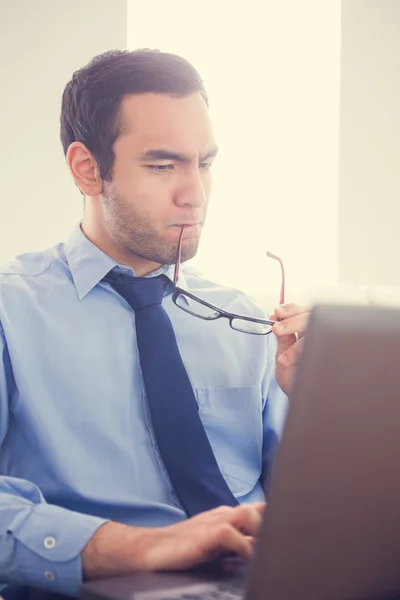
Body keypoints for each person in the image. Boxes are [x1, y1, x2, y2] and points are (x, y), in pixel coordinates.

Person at [0, 49, 308, 598]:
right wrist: (135, 547)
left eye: (204, 164)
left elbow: (321, 513)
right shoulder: (10, 312)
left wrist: (322, 411)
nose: (195, 195)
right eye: (163, 165)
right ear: (87, 169)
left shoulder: (245, 322)